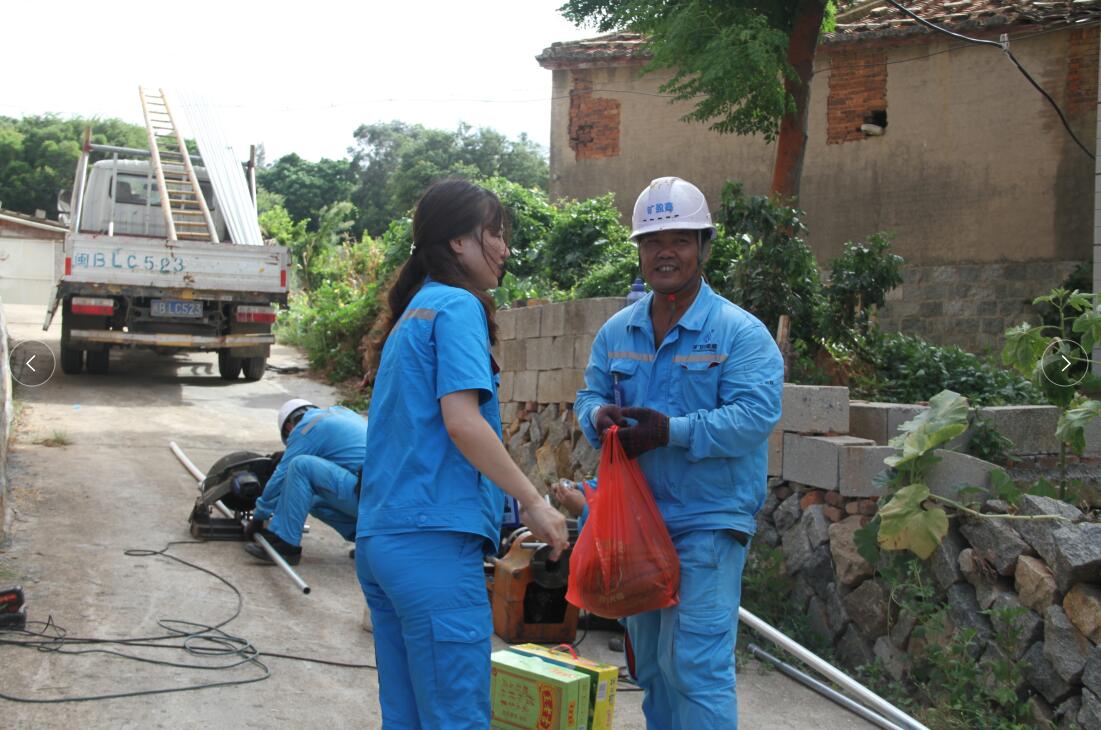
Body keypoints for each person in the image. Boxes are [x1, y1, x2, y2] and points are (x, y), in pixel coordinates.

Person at [357, 179, 569, 729]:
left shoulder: (412, 314)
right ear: (457, 242)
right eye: (494, 233)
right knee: (457, 717)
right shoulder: (455, 306)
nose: (503, 248)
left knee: (406, 717)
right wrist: (532, 502)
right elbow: (463, 423)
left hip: (383, 543)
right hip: (431, 546)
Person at [574, 176, 784, 729]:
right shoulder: (617, 332)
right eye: (652, 240)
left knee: (694, 666)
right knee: (653, 666)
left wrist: (673, 432)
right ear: (640, 251)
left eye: (681, 239)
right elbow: (588, 395)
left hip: (708, 521)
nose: (665, 252)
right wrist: (598, 416)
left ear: (704, 248)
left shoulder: (741, 334)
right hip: (637, 523)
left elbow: (754, 418)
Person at [243, 398, 366, 566]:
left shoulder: (306, 427)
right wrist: (288, 452)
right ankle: (369, 543)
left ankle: (286, 545)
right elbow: (341, 457)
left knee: (300, 465)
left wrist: (259, 517)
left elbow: (281, 475)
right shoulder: (340, 413)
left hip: (367, 495)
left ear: (288, 427)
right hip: (383, 498)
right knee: (314, 500)